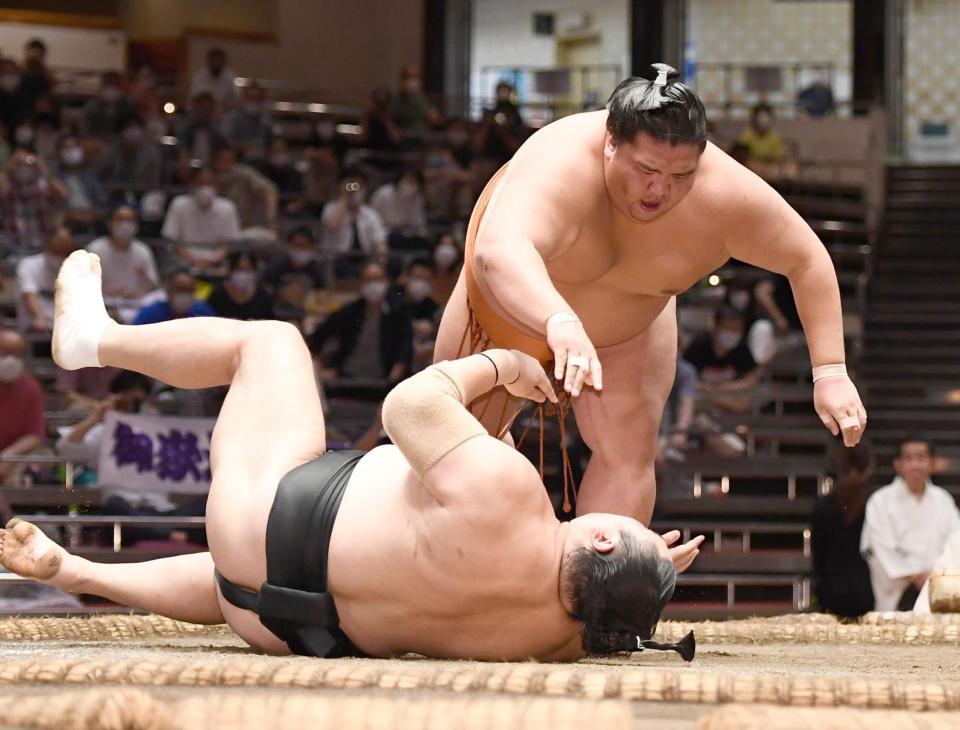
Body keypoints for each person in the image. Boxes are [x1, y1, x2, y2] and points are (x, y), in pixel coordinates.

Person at [0, 249, 703, 661]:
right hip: (279, 621)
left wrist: (498, 366)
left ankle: (95, 341)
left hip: (268, 517)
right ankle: (78, 568)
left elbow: (407, 409)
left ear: (605, 535)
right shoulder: (554, 634)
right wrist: (644, 580)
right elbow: (613, 622)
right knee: (233, 580)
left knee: (270, 343)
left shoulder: (510, 497)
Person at [433, 63, 866, 523]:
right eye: (646, 169)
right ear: (610, 144)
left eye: (682, 175)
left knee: (627, 460)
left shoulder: (724, 194)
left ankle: (609, 585)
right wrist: (558, 320)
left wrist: (831, 371)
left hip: (631, 329)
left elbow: (807, 259)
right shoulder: (559, 161)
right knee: (455, 451)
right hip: (510, 312)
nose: (660, 189)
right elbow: (498, 251)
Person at [860, 436, 960, 611]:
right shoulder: (880, 501)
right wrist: (913, 574)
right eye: (908, 458)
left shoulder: (943, 500)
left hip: (936, 585)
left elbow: (954, 543)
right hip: (896, 588)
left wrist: (934, 574)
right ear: (897, 464)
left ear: (933, 463)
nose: (915, 465)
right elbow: (878, 546)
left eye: (921, 458)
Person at [308, 261, 412, 384]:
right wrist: (321, 370)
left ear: (386, 282)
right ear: (360, 284)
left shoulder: (398, 312)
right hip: (346, 379)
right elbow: (316, 339)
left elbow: (405, 348)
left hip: (382, 381)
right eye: (368, 280)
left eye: (377, 279)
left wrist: (393, 381)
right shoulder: (350, 311)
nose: (373, 285)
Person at [811, 438, 875, 619]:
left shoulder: (823, 505)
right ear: (870, 464)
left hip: (831, 588)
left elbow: (818, 554)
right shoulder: (877, 502)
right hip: (867, 588)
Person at [86, 206, 160, 323]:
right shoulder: (96, 249)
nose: (125, 225)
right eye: (120, 220)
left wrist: (144, 280)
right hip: (106, 302)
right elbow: (84, 285)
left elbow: (154, 287)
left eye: (130, 220)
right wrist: (111, 290)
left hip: (135, 304)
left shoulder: (143, 251)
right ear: (110, 223)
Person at [162, 167, 240, 272]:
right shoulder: (179, 204)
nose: (205, 188)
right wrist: (194, 261)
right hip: (183, 263)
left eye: (209, 183)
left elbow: (229, 244)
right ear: (192, 184)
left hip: (216, 263)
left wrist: (211, 261)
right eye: (201, 183)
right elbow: (173, 240)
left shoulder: (228, 207)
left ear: (216, 185)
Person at [321, 170, 388, 278]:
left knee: (377, 268)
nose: (354, 190)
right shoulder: (331, 208)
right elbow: (332, 227)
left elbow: (380, 242)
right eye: (350, 185)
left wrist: (380, 262)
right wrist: (345, 197)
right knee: (344, 268)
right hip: (337, 259)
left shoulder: (371, 214)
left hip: (364, 259)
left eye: (358, 186)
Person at [0, 329, 45, 486]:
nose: (10, 360)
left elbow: (34, 434)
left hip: (15, 457)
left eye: (17, 354)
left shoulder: (31, 388)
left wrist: (8, 455)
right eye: (5, 353)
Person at [0, 149, 67, 252]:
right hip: (11, 243)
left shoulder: (44, 183)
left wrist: (43, 169)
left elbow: (63, 196)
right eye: (20, 164)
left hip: (42, 241)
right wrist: (9, 167)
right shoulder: (7, 183)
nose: (24, 167)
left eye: (28, 164)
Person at [15, 226, 76, 333]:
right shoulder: (29, 265)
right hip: (38, 327)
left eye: (64, 252)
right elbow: (29, 294)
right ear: (47, 246)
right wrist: (39, 317)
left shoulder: (75, 269)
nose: (59, 256)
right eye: (56, 251)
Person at [259, 226, 327, 316]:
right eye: (297, 245)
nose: (300, 249)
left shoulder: (317, 269)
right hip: (278, 314)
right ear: (288, 245)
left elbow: (322, 295)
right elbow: (264, 289)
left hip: (307, 315)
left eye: (304, 246)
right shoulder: (276, 266)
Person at [212, 147, 278, 230]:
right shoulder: (207, 176)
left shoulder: (244, 174)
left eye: (228, 161)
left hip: (242, 227)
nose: (224, 165)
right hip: (212, 227)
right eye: (221, 161)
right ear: (214, 162)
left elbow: (269, 190)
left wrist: (270, 218)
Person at [53, 134, 107, 231]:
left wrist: (92, 215)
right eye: (66, 148)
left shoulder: (89, 175)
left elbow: (102, 201)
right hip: (68, 222)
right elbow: (55, 206)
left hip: (92, 221)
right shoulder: (54, 177)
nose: (71, 152)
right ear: (58, 153)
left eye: (74, 147)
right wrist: (72, 215)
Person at [369, 166, 428, 251]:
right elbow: (371, 218)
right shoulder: (383, 193)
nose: (410, 184)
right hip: (384, 232)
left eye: (413, 181)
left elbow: (418, 224)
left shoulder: (417, 198)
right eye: (407, 180)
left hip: (406, 234)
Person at [208, 251, 274, 321]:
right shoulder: (218, 295)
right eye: (239, 269)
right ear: (231, 270)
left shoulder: (262, 296)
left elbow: (270, 322)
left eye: (248, 270)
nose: (243, 275)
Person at [132, 269, 216, 325]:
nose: (185, 295)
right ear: (168, 290)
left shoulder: (202, 311)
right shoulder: (150, 314)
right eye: (180, 290)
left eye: (189, 291)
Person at [221, 83, 272, 160]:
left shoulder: (265, 119)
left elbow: (270, 141)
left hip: (262, 160)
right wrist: (243, 148)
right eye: (250, 98)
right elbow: (224, 139)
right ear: (243, 99)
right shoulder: (232, 116)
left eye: (257, 99)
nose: (253, 102)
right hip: (237, 159)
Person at [81, 71, 136, 138]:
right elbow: (85, 130)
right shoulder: (92, 106)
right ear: (102, 86)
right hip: (96, 142)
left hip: (121, 143)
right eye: (108, 85)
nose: (111, 88)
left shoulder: (127, 106)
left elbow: (131, 129)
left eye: (115, 85)